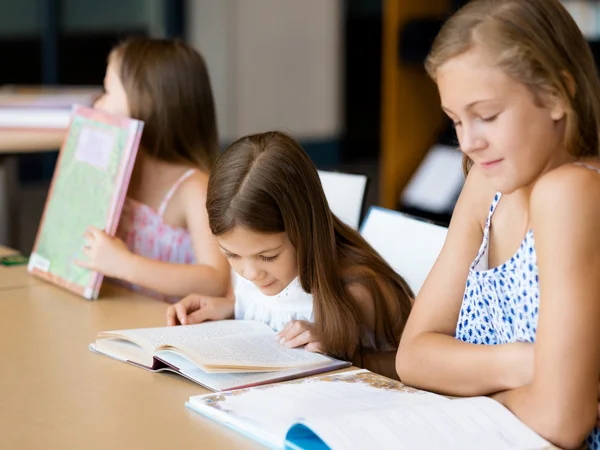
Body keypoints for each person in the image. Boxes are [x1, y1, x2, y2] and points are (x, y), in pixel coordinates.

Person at [395, 1, 600, 448]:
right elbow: (413, 356)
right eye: (455, 121)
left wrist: (465, 390)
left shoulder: (571, 192)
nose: (468, 142)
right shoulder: (485, 186)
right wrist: (522, 365)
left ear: (555, 94)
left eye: (486, 115)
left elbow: (561, 421)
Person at [166, 131, 413, 379]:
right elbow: (277, 310)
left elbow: (419, 363)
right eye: (231, 255)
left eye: (268, 256)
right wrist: (231, 309)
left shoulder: (359, 289)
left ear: (304, 230)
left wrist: (347, 355)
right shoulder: (252, 272)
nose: (250, 273)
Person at [76, 37, 230, 302]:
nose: (97, 104)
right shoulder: (113, 175)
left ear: (145, 100)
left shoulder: (192, 188)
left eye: (107, 91)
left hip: (167, 334)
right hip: (112, 319)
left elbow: (216, 280)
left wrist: (124, 264)